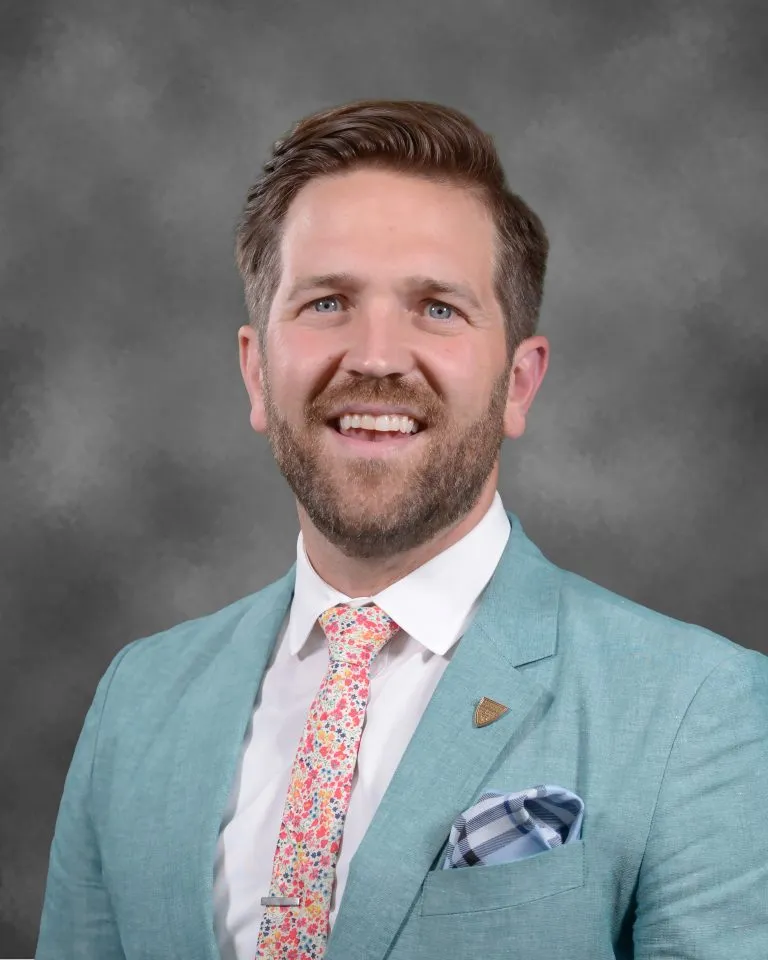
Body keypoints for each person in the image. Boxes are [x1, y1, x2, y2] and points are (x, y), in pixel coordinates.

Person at [36, 99, 768, 960]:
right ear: (257, 373)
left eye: (437, 309)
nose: (377, 355)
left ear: (520, 384)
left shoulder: (701, 708)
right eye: (327, 303)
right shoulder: (140, 697)